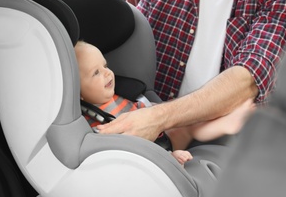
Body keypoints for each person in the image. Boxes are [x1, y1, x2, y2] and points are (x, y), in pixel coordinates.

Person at [97, 0, 286, 143]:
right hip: (158, 135)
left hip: (232, 146)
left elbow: (247, 79)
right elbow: (128, 56)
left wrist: (158, 118)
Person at [75, 41, 255, 164]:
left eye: (105, 66)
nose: (107, 73)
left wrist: (158, 113)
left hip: (159, 133)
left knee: (190, 124)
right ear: (79, 92)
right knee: (185, 131)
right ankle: (171, 159)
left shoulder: (122, 95)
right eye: (96, 73)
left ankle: (226, 123)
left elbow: (145, 109)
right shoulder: (90, 120)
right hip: (143, 154)